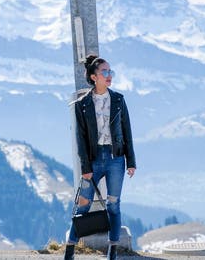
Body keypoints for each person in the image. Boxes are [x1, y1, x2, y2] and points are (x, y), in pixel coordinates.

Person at [64, 55, 137, 260]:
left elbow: (126, 131)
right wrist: (85, 167)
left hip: (115, 159)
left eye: (110, 72)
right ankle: (70, 249)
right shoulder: (82, 104)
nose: (109, 75)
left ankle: (112, 252)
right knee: (83, 205)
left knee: (113, 204)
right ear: (94, 77)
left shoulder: (119, 100)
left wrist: (130, 162)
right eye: (105, 72)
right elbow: (81, 138)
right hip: (94, 161)